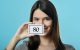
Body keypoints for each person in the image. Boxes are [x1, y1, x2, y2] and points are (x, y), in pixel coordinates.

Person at [5, 0, 75, 50]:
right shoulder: (24, 47)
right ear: (31, 21)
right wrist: (16, 38)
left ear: (54, 21)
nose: (41, 24)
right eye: (37, 19)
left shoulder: (69, 49)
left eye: (47, 19)